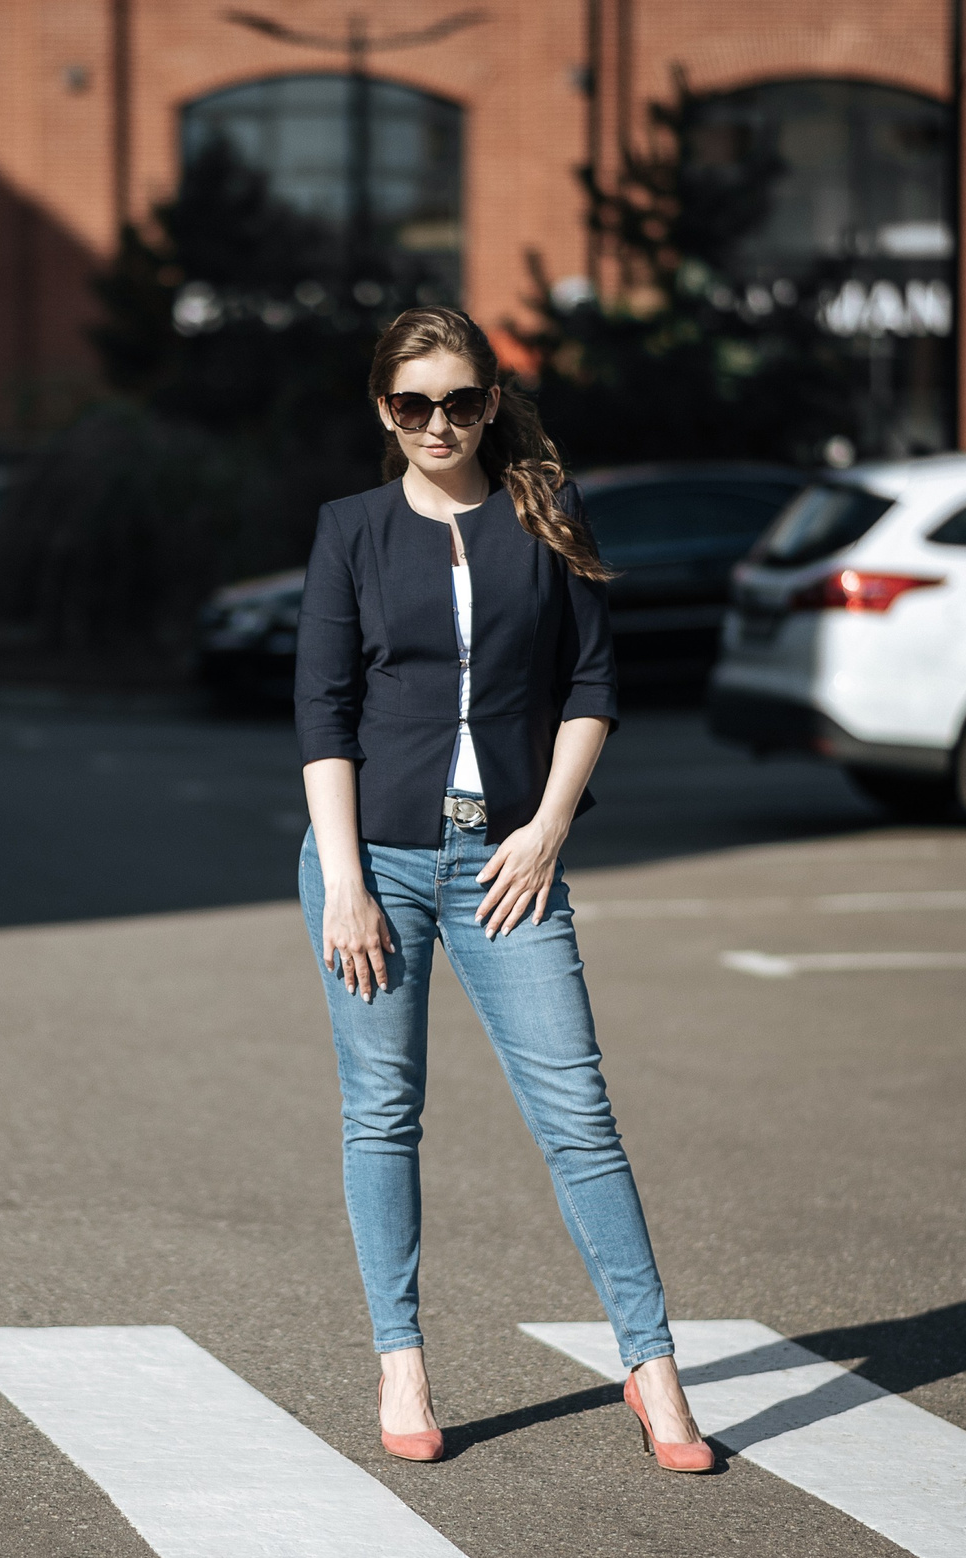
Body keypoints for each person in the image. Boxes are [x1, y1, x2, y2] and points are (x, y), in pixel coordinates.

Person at [294, 305, 712, 1473]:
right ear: (383, 410)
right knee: (383, 1113)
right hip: (373, 863)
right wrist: (343, 883)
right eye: (412, 404)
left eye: (460, 401)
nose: (438, 424)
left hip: (507, 864)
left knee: (577, 1114)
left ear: (490, 403)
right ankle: (401, 1359)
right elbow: (323, 712)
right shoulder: (350, 530)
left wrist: (546, 831)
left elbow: (592, 685)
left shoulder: (544, 515)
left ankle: (652, 1367)